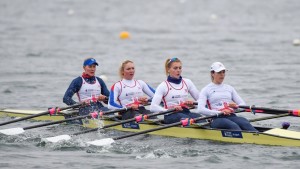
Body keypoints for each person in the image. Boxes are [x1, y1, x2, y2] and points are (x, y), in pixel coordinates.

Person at [197, 62, 258, 131]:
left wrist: (234, 108)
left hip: (230, 116)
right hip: (216, 119)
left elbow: (242, 104)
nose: (222, 75)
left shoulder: (229, 88)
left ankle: (260, 137)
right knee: (233, 126)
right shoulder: (206, 90)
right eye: (219, 72)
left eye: (223, 72)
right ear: (212, 73)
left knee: (244, 122)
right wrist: (220, 112)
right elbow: (200, 109)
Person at [150, 57, 201, 124]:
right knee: (187, 119)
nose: (178, 70)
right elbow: (153, 107)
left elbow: (201, 100)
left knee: (200, 118)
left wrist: (193, 104)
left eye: (180, 68)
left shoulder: (187, 82)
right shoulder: (163, 86)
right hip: (171, 115)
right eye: (175, 68)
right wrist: (168, 110)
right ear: (168, 69)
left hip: (185, 112)